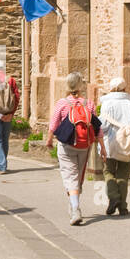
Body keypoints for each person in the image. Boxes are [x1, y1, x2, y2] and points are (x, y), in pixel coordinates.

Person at [45, 71, 99, 226]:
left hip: (67, 145)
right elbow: (97, 126)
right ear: (81, 85)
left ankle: (75, 209)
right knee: (79, 176)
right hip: (85, 145)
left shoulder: (62, 103)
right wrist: (100, 144)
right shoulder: (88, 104)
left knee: (70, 176)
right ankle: (73, 204)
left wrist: (49, 140)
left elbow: (54, 124)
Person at [98, 77, 130, 216]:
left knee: (108, 171)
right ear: (124, 88)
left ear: (111, 88)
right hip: (127, 144)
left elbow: (104, 126)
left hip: (111, 143)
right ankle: (123, 207)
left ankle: (114, 197)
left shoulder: (107, 104)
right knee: (123, 174)